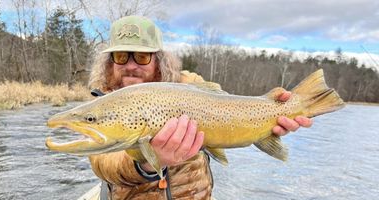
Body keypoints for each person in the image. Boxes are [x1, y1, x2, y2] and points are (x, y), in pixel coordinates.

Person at [87, 16, 312, 200]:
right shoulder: (101, 105)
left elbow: (229, 113)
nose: (131, 66)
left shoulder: (189, 86)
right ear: (110, 62)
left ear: (158, 60)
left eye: (142, 56)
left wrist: (275, 113)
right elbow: (104, 163)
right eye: (121, 56)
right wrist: (147, 160)